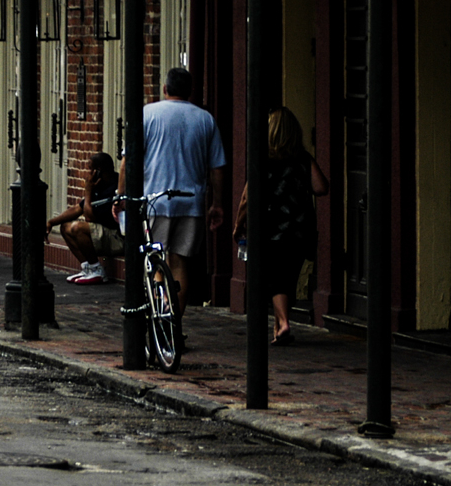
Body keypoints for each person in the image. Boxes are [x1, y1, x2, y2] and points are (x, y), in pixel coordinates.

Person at [119, 66, 226, 324]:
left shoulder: (147, 114)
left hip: (155, 200)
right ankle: (173, 324)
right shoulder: (205, 119)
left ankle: (160, 314)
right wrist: (217, 204)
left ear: (165, 89)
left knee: (154, 259)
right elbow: (216, 168)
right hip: (191, 202)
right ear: (190, 91)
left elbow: (128, 161)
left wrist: (121, 195)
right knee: (179, 262)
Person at [232, 106, 328, 346]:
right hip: (299, 228)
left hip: (270, 227)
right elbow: (321, 187)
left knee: (274, 278)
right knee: (286, 277)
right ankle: (278, 327)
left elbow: (247, 198)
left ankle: (283, 322)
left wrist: (238, 225)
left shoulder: (263, 160)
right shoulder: (303, 159)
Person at [47, 152, 124, 285]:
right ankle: (88, 268)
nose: (87, 173)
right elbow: (78, 209)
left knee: (77, 228)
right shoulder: (98, 184)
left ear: (98, 171)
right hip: (104, 235)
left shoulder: (115, 188)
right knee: (65, 226)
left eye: (89, 168)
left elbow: (89, 217)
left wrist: (88, 192)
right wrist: (51, 222)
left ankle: (97, 270)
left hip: (117, 238)